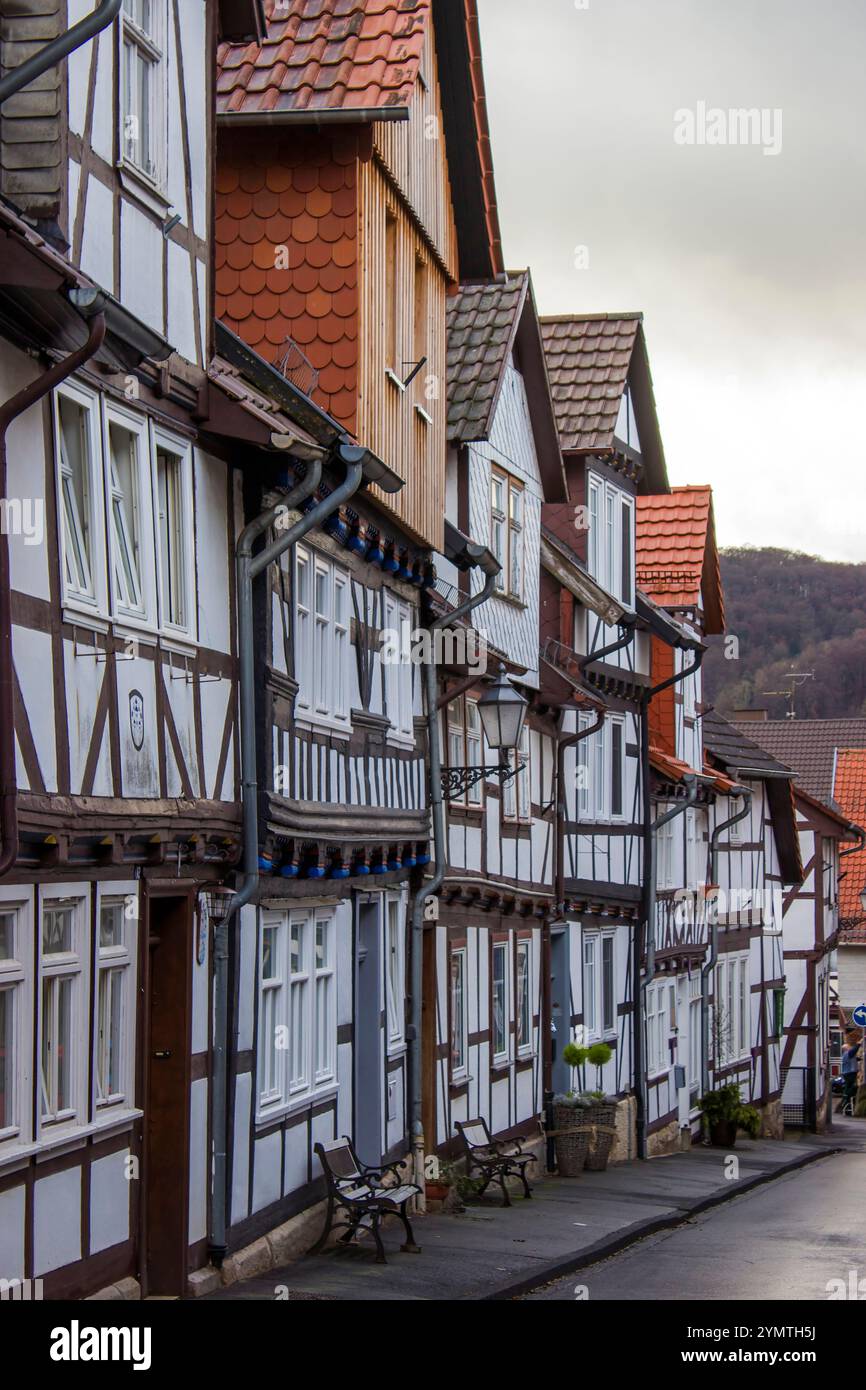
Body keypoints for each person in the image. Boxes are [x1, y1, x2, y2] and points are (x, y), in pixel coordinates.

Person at [840, 1031, 861, 1114]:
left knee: (849, 1086)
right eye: (849, 1047)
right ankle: (846, 1098)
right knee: (853, 1086)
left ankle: (846, 1099)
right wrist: (859, 1043)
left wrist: (859, 1059)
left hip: (847, 1073)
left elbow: (853, 1058)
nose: (850, 1047)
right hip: (850, 1073)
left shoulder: (845, 1055)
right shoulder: (848, 1053)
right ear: (846, 1048)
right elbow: (854, 1051)